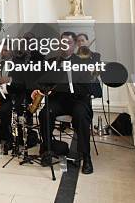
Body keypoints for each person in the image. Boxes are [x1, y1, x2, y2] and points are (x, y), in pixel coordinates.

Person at [33, 31, 95, 174]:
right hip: (59, 100)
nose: (65, 45)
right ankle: (47, 149)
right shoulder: (53, 62)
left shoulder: (83, 62)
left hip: (78, 100)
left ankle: (86, 157)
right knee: (44, 114)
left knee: (81, 115)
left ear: (74, 46)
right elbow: (42, 82)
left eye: (69, 43)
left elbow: (90, 87)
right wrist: (38, 89)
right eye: (63, 43)